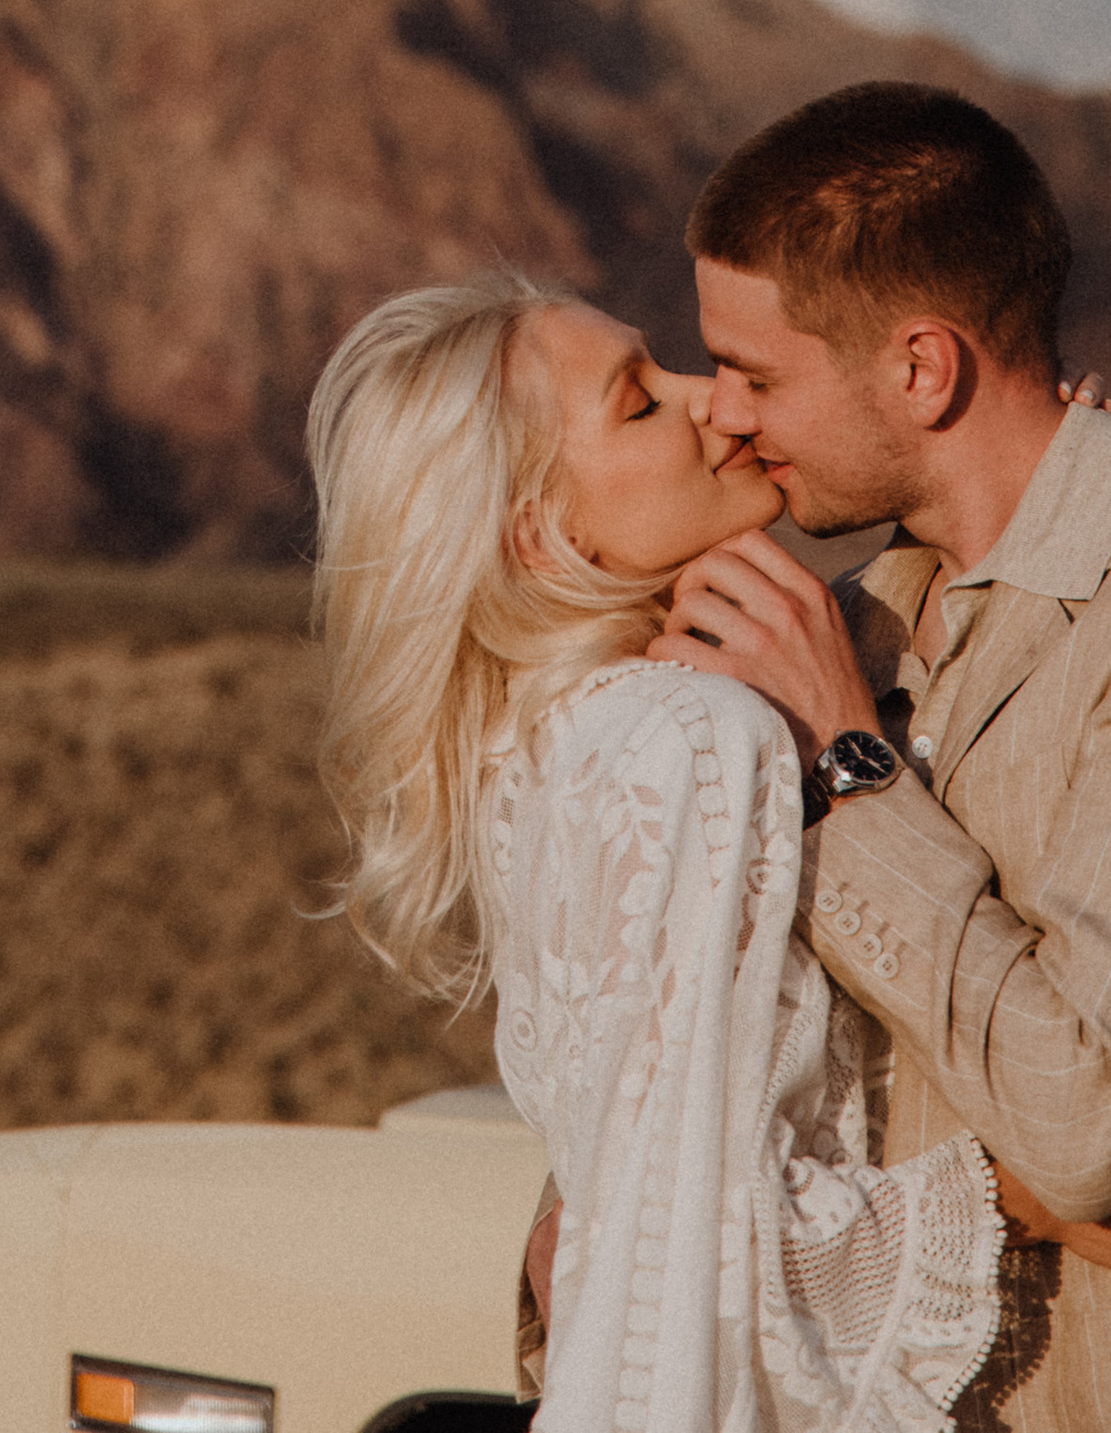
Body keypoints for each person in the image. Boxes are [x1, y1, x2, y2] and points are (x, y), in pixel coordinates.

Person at [659, 80, 1111, 1430]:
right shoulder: (840, 635)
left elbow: (1089, 1116)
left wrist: (845, 773)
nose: (727, 414)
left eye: (758, 373)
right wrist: (1024, 1214)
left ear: (921, 369)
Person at [309, 269, 1014, 1428]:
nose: (713, 400)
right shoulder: (687, 737)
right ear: (541, 535)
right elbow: (709, 1247)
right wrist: (1054, 1213)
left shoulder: (540, 744)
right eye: (638, 402)